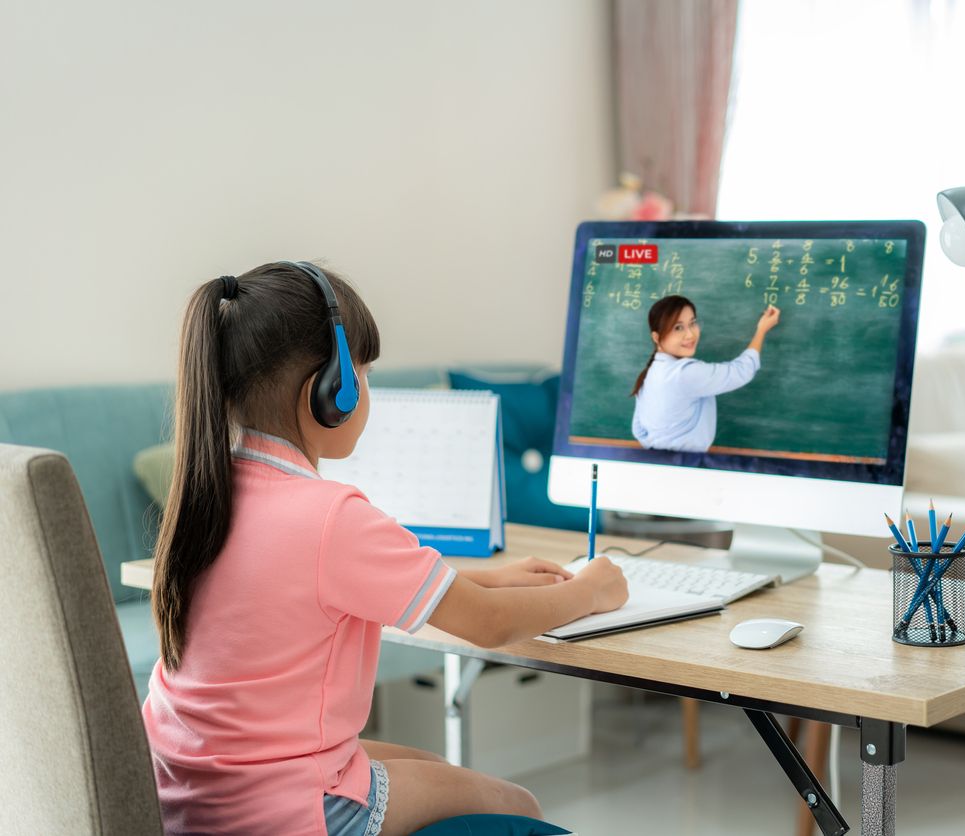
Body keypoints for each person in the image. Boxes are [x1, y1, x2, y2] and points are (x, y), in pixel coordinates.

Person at [144, 262, 628, 836]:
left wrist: (488, 578)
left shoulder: (207, 492)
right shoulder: (330, 516)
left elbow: (321, 582)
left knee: (437, 769)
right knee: (513, 803)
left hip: (192, 795)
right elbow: (491, 624)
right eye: (364, 373)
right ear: (332, 392)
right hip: (287, 811)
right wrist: (591, 589)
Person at [630, 295, 780, 453]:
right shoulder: (683, 374)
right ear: (656, 337)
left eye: (692, 323)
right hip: (683, 463)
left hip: (655, 460)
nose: (690, 334)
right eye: (678, 328)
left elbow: (639, 430)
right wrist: (761, 330)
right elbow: (742, 370)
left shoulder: (651, 373)